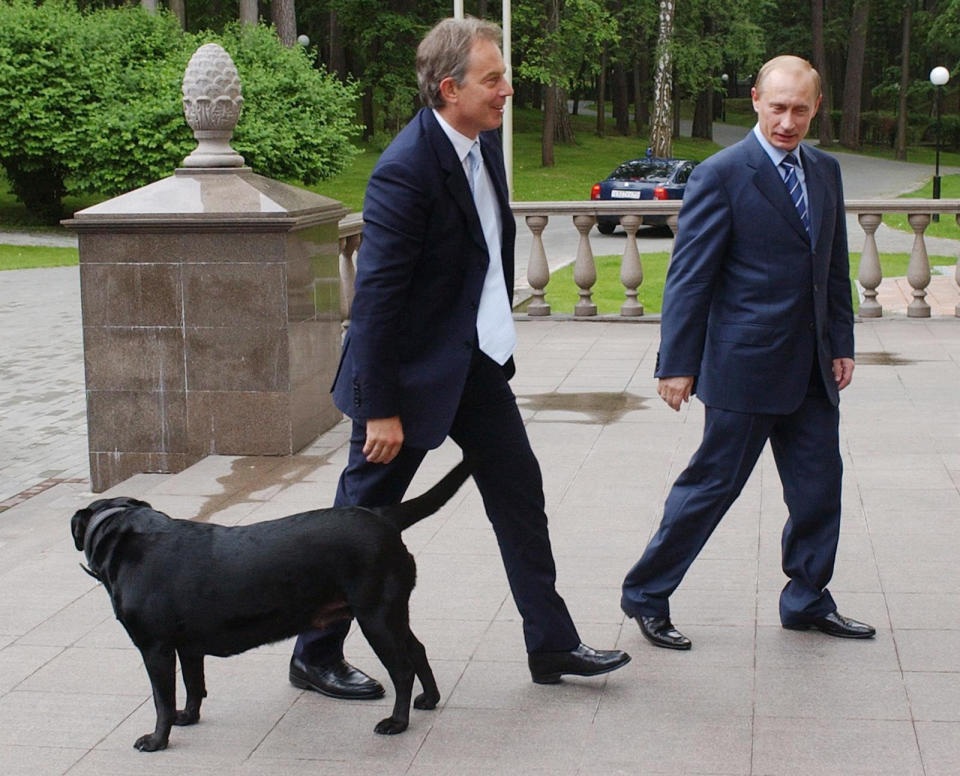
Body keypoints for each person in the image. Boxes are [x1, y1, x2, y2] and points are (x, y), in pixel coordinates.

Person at [289, 16, 630, 699]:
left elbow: (481, 250)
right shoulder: (404, 172)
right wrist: (379, 409)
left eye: (504, 76)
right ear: (449, 88)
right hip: (405, 382)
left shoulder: (485, 142)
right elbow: (377, 302)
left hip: (471, 366)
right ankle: (313, 651)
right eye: (494, 79)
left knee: (518, 494)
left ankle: (551, 644)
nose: (508, 90)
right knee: (360, 524)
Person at [620, 55, 876, 651]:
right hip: (744, 365)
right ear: (757, 99)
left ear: (816, 109)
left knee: (819, 489)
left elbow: (831, 268)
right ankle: (647, 595)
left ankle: (808, 599)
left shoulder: (826, 171)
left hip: (812, 365)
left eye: (801, 109)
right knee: (710, 488)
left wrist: (841, 342)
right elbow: (689, 277)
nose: (788, 120)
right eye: (778, 106)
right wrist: (677, 363)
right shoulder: (721, 174)